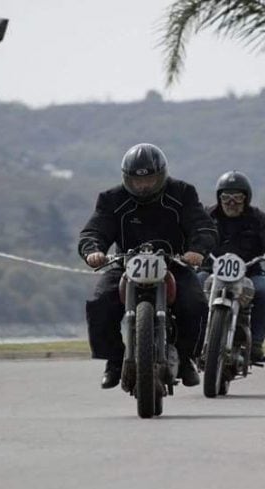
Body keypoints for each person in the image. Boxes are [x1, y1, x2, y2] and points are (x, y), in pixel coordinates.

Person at [79, 143, 218, 389]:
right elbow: (94, 230)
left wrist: (197, 250)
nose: (143, 186)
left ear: (161, 175)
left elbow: (202, 225)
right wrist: (93, 251)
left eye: (150, 179)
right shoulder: (111, 199)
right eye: (136, 181)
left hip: (174, 264)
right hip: (125, 265)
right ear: (126, 178)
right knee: (98, 303)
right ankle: (114, 360)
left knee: (195, 304)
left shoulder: (183, 193)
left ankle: (186, 358)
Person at [203, 170, 265, 363]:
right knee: (191, 289)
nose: (231, 202)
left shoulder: (259, 219)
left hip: (248, 274)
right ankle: (189, 339)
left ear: (246, 198)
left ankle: (256, 344)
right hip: (210, 271)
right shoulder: (207, 216)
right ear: (219, 197)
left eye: (237, 197)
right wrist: (189, 250)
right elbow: (191, 232)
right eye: (226, 197)